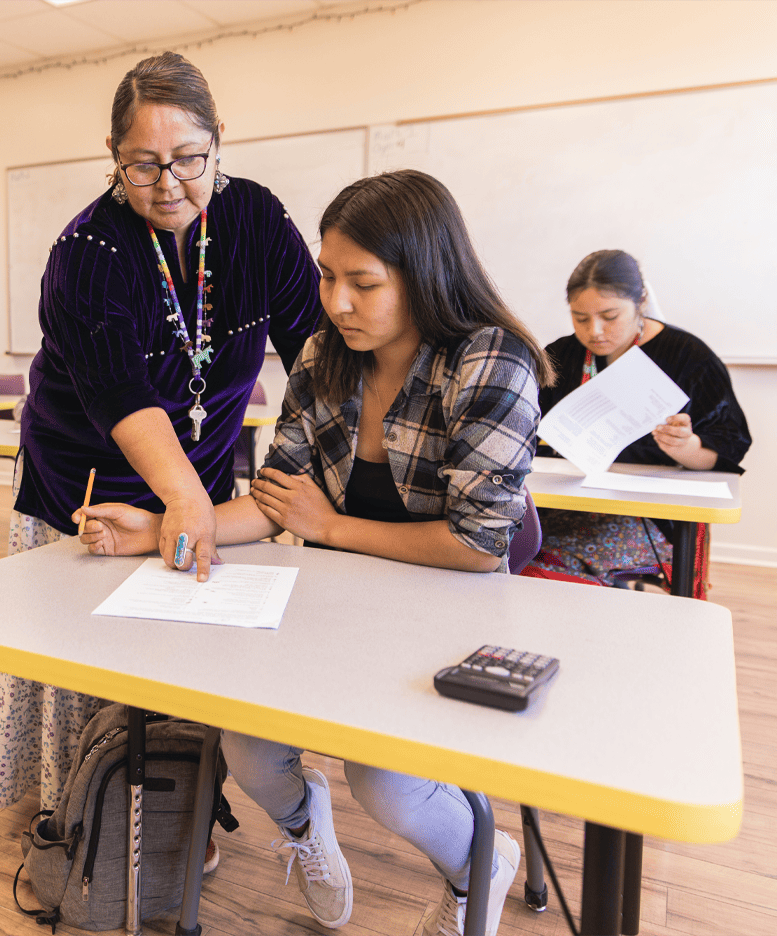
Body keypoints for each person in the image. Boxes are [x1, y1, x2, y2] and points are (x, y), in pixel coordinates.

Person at [75, 170, 550, 935]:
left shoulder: (492, 361)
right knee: (249, 748)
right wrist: (166, 523)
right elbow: (277, 506)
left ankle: (478, 865)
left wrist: (329, 530)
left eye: (363, 283)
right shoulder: (327, 354)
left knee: (387, 785)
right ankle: (303, 828)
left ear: (425, 276)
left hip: (449, 614)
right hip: (332, 609)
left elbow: (476, 542)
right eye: (328, 276)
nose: (335, 302)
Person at [0, 51, 322, 814]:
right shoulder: (87, 253)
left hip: (201, 476)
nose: (169, 185)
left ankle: (176, 817)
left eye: (189, 159)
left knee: (191, 659)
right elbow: (121, 395)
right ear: (113, 158)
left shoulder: (256, 219)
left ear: (219, 139)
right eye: (143, 166)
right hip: (90, 481)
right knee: (86, 669)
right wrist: (183, 501)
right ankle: (83, 817)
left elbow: (315, 351)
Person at [527, 249, 750, 588]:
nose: (595, 331)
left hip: (649, 517)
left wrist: (686, 447)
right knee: (511, 544)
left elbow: (730, 447)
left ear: (641, 301)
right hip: (561, 501)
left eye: (610, 315)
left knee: (553, 563)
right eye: (580, 318)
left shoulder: (689, 357)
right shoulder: (560, 356)